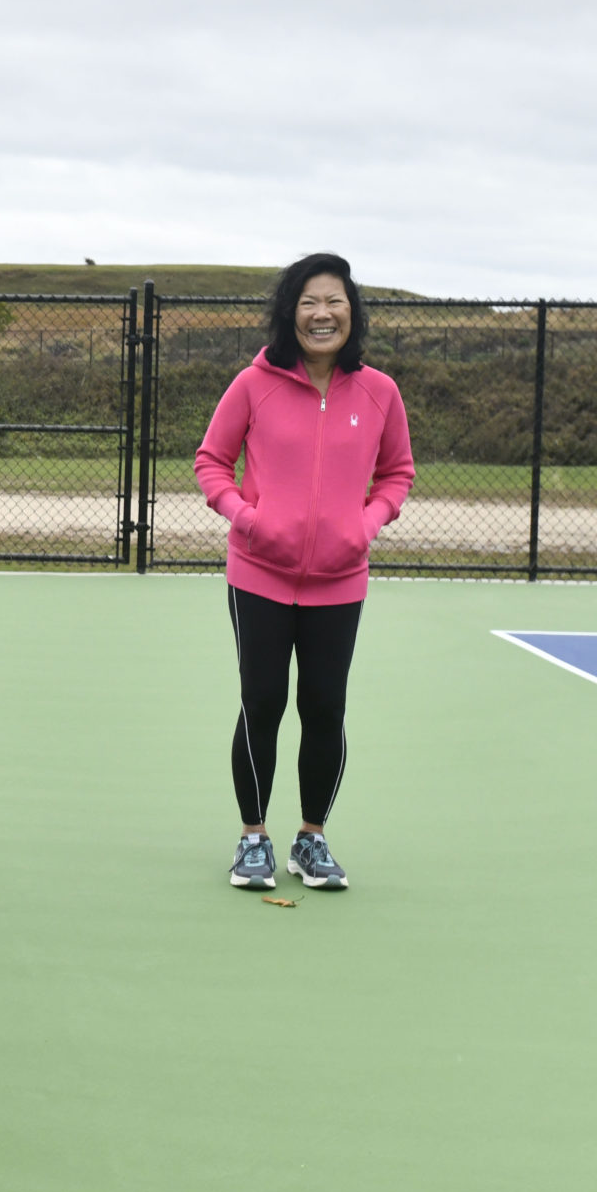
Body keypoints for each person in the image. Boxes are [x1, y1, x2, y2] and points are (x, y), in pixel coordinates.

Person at [195, 253, 413, 892]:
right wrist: (246, 516)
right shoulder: (253, 384)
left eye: (335, 302)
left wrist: (366, 524)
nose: (323, 315)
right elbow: (212, 460)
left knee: (324, 707)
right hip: (258, 574)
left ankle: (311, 841)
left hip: (340, 581)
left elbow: (397, 472)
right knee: (262, 702)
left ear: (353, 312)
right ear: (289, 313)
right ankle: (253, 840)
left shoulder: (379, 392)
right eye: (309, 302)